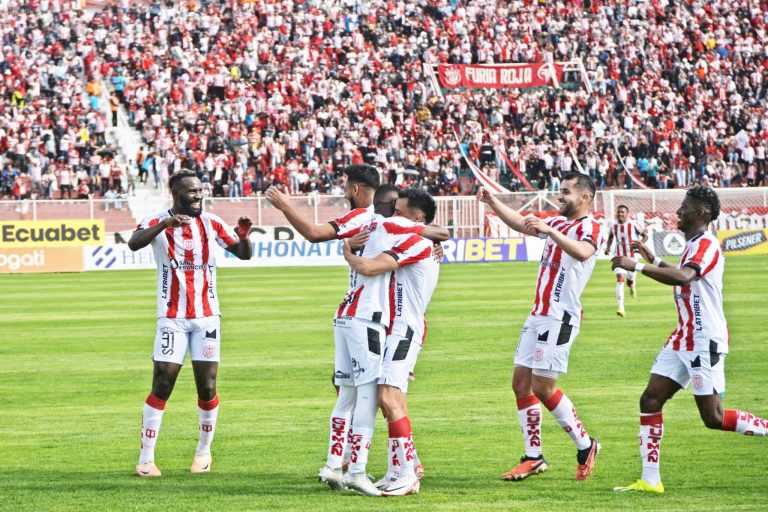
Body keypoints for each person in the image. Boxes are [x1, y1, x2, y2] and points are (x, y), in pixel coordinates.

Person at [611, 186, 768, 494]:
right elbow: (681, 271)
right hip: (683, 336)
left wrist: (638, 267)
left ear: (700, 214)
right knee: (650, 399)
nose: (677, 213)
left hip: (703, 339)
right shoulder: (694, 243)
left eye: (683, 208)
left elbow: (684, 277)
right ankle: (650, 480)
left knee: (713, 417)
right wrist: (652, 257)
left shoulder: (707, 244)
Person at [478, 172, 603, 482]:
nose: (560, 197)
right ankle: (533, 456)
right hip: (538, 314)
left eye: (566, 192)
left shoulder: (591, 226)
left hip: (560, 317)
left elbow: (584, 251)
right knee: (521, 383)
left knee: (543, 388)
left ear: (585, 198)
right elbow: (522, 224)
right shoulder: (558, 223)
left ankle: (585, 445)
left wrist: (550, 230)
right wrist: (493, 201)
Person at [128, 169, 253, 478]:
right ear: (175, 193)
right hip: (171, 319)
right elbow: (133, 243)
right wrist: (165, 224)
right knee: (163, 383)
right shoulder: (158, 221)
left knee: (207, 386)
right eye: (192, 192)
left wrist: (244, 238)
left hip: (207, 318)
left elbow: (242, 254)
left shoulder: (211, 223)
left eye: (200, 190)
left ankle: (203, 453)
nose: (198, 195)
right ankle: (145, 459)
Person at [342, 188, 443, 496]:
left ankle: (407, 473)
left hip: (405, 330)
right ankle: (401, 467)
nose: (393, 216)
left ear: (418, 218)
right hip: (393, 328)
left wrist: (347, 252)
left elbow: (370, 267)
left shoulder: (416, 241)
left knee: (387, 397)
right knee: (390, 399)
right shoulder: (413, 239)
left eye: (399, 212)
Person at [603, 205, 648, 317]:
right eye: (618, 212)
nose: (620, 214)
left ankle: (632, 286)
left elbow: (645, 236)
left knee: (630, 280)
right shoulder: (614, 225)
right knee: (620, 280)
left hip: (632, 258)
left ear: (627, 214)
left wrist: (640, 245)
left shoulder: (633, 224)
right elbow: (610, 238)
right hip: (619, 257)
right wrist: (608, 248)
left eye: (622, 212)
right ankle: (621, 308)